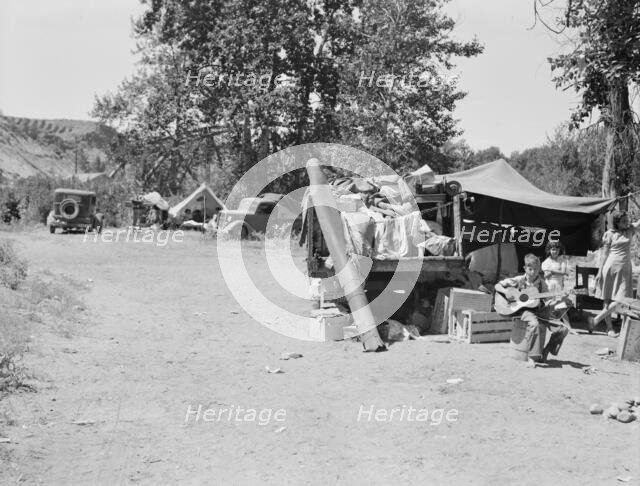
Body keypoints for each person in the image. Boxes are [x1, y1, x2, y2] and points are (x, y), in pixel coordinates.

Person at [495, 253, 569, 366]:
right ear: (525, 268)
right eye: (530, 269)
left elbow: (548, 301)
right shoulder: (519, 280)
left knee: (563, 329)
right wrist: (507, 292)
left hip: (540, 310)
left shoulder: (542, 284)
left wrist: (558, 300)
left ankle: (547, 350)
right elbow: (498, 286)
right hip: (524, 311)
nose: (533, 272)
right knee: (534, 324)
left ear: (539, 269)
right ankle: (532, 358)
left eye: (535, 269)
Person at [589, 210, 640, 337]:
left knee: (621, 299)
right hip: (610, 268)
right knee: (607, 299)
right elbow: (604, 255)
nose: (627, 222)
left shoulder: (630, 230)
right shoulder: (609, 234)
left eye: (627, 220)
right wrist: (599, 273)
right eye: (623, 221)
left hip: (625, 269)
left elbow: (638, 223)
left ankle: (595, 320)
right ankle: (609, 329)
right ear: (617, 222)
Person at [541, 240, 576, 334]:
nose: (555, 252)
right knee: (548, 307)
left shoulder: (562, 260)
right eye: (553, 249)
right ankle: (548, 327)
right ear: (549, 250)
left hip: (559, 287)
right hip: (549, 286)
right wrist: (553, 272)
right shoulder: (546, 262)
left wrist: (552, 271)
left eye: (556, 249)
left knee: (562, 308)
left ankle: (569, 328)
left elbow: (564, 272)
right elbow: (546, 275)